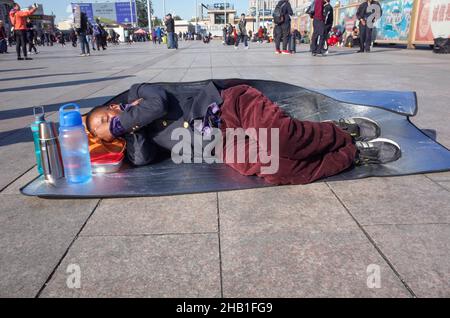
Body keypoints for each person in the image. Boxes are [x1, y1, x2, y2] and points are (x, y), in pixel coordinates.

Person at [84, 82, 402, 186]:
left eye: (100, 118)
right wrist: (129, 132)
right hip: (224, 142)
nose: (103, 126)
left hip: (230, 105)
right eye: (99, 130)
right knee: (276, 168)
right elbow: (140, 159)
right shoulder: (139, 135)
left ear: (112, 106)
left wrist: (120, 123)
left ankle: (337, 131)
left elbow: (157, 105)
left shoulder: (140, 92)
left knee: (280, 136)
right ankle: (354, 154)